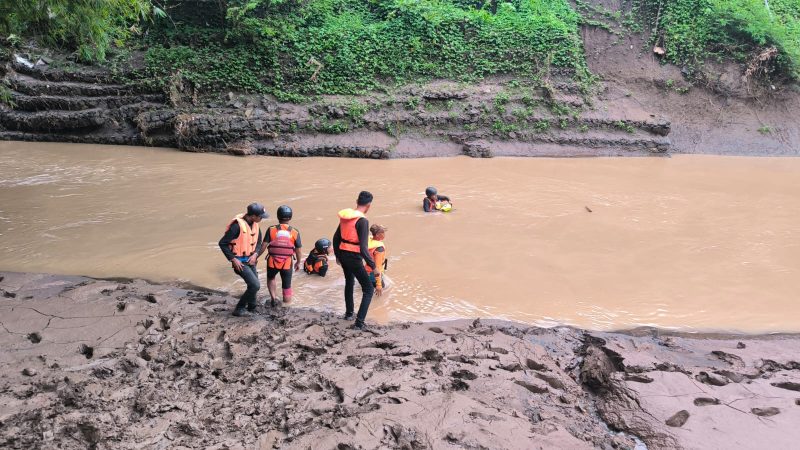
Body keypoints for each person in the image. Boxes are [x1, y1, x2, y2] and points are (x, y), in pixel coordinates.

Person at [333, 191, 376, 330]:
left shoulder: (346, 217)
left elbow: (335, 238)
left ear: (357, 201)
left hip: (343, 254)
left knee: (349, 282)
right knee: (368, 289)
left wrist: (338, 256)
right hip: (353, 256)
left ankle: (349, 313)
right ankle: (359, 323)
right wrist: (373, 265)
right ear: (369, 205)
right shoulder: (362, 221)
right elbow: (363, 248)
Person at [218, 202, 269, 317]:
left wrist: (255, 254)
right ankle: (239, 308)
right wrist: (233, 259)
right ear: (253, 216)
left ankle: (252, 307)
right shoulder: (236, 226)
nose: (262, 218)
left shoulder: (255, 225)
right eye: (260, 216)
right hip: (240, 263)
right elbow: (222, 243)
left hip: (251, 260)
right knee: (255, 285)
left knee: (254, 285)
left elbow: (258, 242)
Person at [261, 205, 302, 307]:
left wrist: (255, 256)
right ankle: (287, 305)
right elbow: (298, 250)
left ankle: (273, 298)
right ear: (290, 217)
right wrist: (298, 262)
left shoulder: (271, 229)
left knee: (271, 278)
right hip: (287, 263)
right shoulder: (295, 232)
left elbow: (263, 246)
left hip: (272, 261)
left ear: (278, 216)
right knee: (287, 286)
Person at [366, 224, 388, 296]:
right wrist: (379, 284)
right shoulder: (379, 249)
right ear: (378, 235)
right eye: (383, 233)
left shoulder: (368, 240)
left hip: (366, 271)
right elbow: (377, 267)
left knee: (367, 290)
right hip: (374, 274)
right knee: (382, 292)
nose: (384, 234)